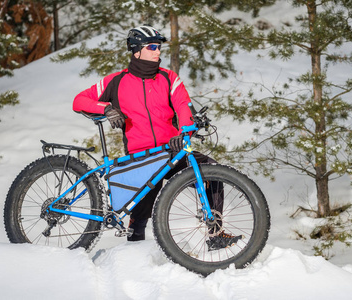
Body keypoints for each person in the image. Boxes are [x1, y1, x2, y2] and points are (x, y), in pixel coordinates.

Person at [73, 25, 241, 250]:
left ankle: (215, 234)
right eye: (151, 46)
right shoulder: (116, 81)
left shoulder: (169, 78)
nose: (157, 51)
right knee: (141, 209)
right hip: (141, 155)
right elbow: (79, 101)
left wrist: (184, 133)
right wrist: (106, 109)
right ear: (136, 50)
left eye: (159, 47)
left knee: (211, 172)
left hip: (172, 149)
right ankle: (133, 250)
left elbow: (183, 107)